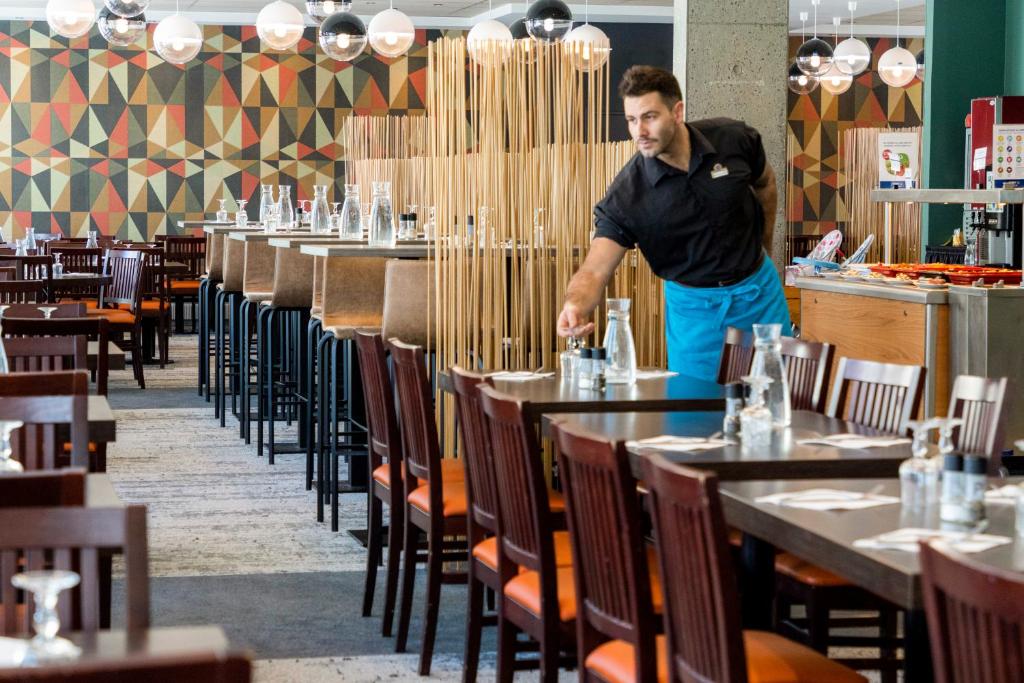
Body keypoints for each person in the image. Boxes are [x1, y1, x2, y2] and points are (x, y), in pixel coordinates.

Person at [556, 65, 792, 381]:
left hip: (759, 295)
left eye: (649, 117)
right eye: (631, 120)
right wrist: (575, 305)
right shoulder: (628, 195)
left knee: (779, 404)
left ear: (676, 112)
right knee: (694, 417)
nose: (639, 131)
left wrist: (764, 245)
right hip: (695, 314)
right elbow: (595, 270)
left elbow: (765, 182)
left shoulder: (734, 139)